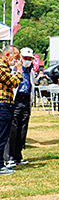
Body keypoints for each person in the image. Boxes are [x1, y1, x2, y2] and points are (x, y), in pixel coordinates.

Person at [4, 47, 35, 168]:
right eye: (26, 58)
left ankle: (18, 155)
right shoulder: (13, 69)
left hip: (26, 100)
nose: (28, 60)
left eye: (30, 59)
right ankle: (10, 156)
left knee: (23, 129)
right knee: (13, 129)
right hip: (15, 100)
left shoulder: (30, 71)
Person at [0, 46, 23, 175]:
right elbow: (13, 82)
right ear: (8, 55)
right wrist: (19, 71)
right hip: (3, 105)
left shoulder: (6, 68)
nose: (17, 59)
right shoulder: (1, 68)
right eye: (16, 55)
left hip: (6, 105)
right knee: (2, 137)